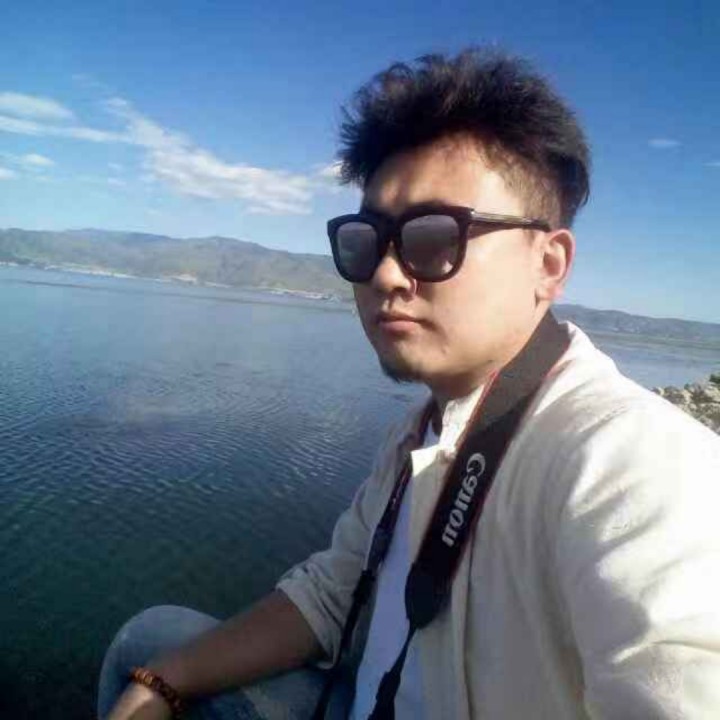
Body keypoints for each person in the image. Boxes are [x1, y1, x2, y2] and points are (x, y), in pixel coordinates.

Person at [98, 48, 720, 720]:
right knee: (151, 644)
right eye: (367, 241)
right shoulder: (419, 434)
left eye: (433, 238)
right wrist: (164, 683)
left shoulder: (632, 464)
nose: (386, 275)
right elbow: (331, 596)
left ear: (548, 264)